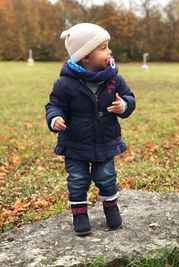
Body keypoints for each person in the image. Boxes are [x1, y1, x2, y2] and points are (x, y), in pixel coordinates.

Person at [45, 23, 136, 236]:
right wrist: (55, 118)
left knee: (106, 175)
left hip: (105, 139)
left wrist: (124, 105)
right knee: (77, 179)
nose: (110, 51)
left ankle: (111, 209)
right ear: (85, 56)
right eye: (103, 47)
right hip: (75, 142)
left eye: (108, 46)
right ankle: (79, 215)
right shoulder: (65, 83)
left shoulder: (113, 78)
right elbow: (54, 104)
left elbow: (130, 97)